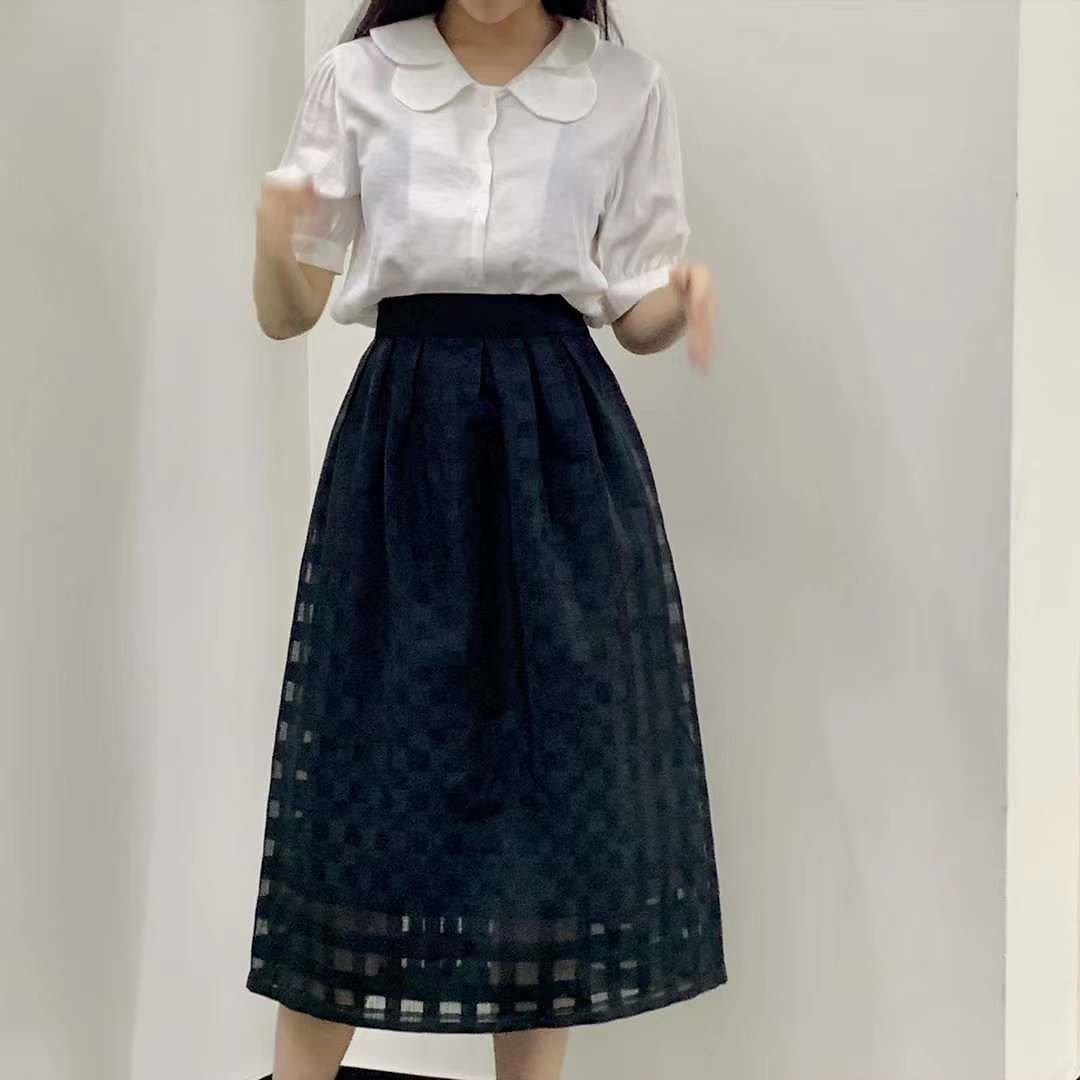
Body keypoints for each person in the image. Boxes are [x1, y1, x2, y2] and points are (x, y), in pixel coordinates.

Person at [248, 2, 727, 1077]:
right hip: (404, 443)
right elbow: (288, 311)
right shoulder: (359, 78)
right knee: (359, 782)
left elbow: (635, 308)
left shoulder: (625, 86)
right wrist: (274, 238)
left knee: (549, 790)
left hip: (559, 447)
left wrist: (682, 298)